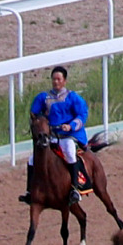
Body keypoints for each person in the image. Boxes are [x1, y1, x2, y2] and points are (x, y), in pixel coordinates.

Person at [23, 65, 92, 203]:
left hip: (68, 136)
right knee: (32, 160)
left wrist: (70, 125)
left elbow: (82, 114)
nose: (56, 82)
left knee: (70, 153)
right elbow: (35, 114)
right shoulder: (44, 97)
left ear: (64, 81)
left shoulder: (73, 98)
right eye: (54, 79)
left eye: (59, 79)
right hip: (52, 137)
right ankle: (30, 191)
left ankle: (75, 189)